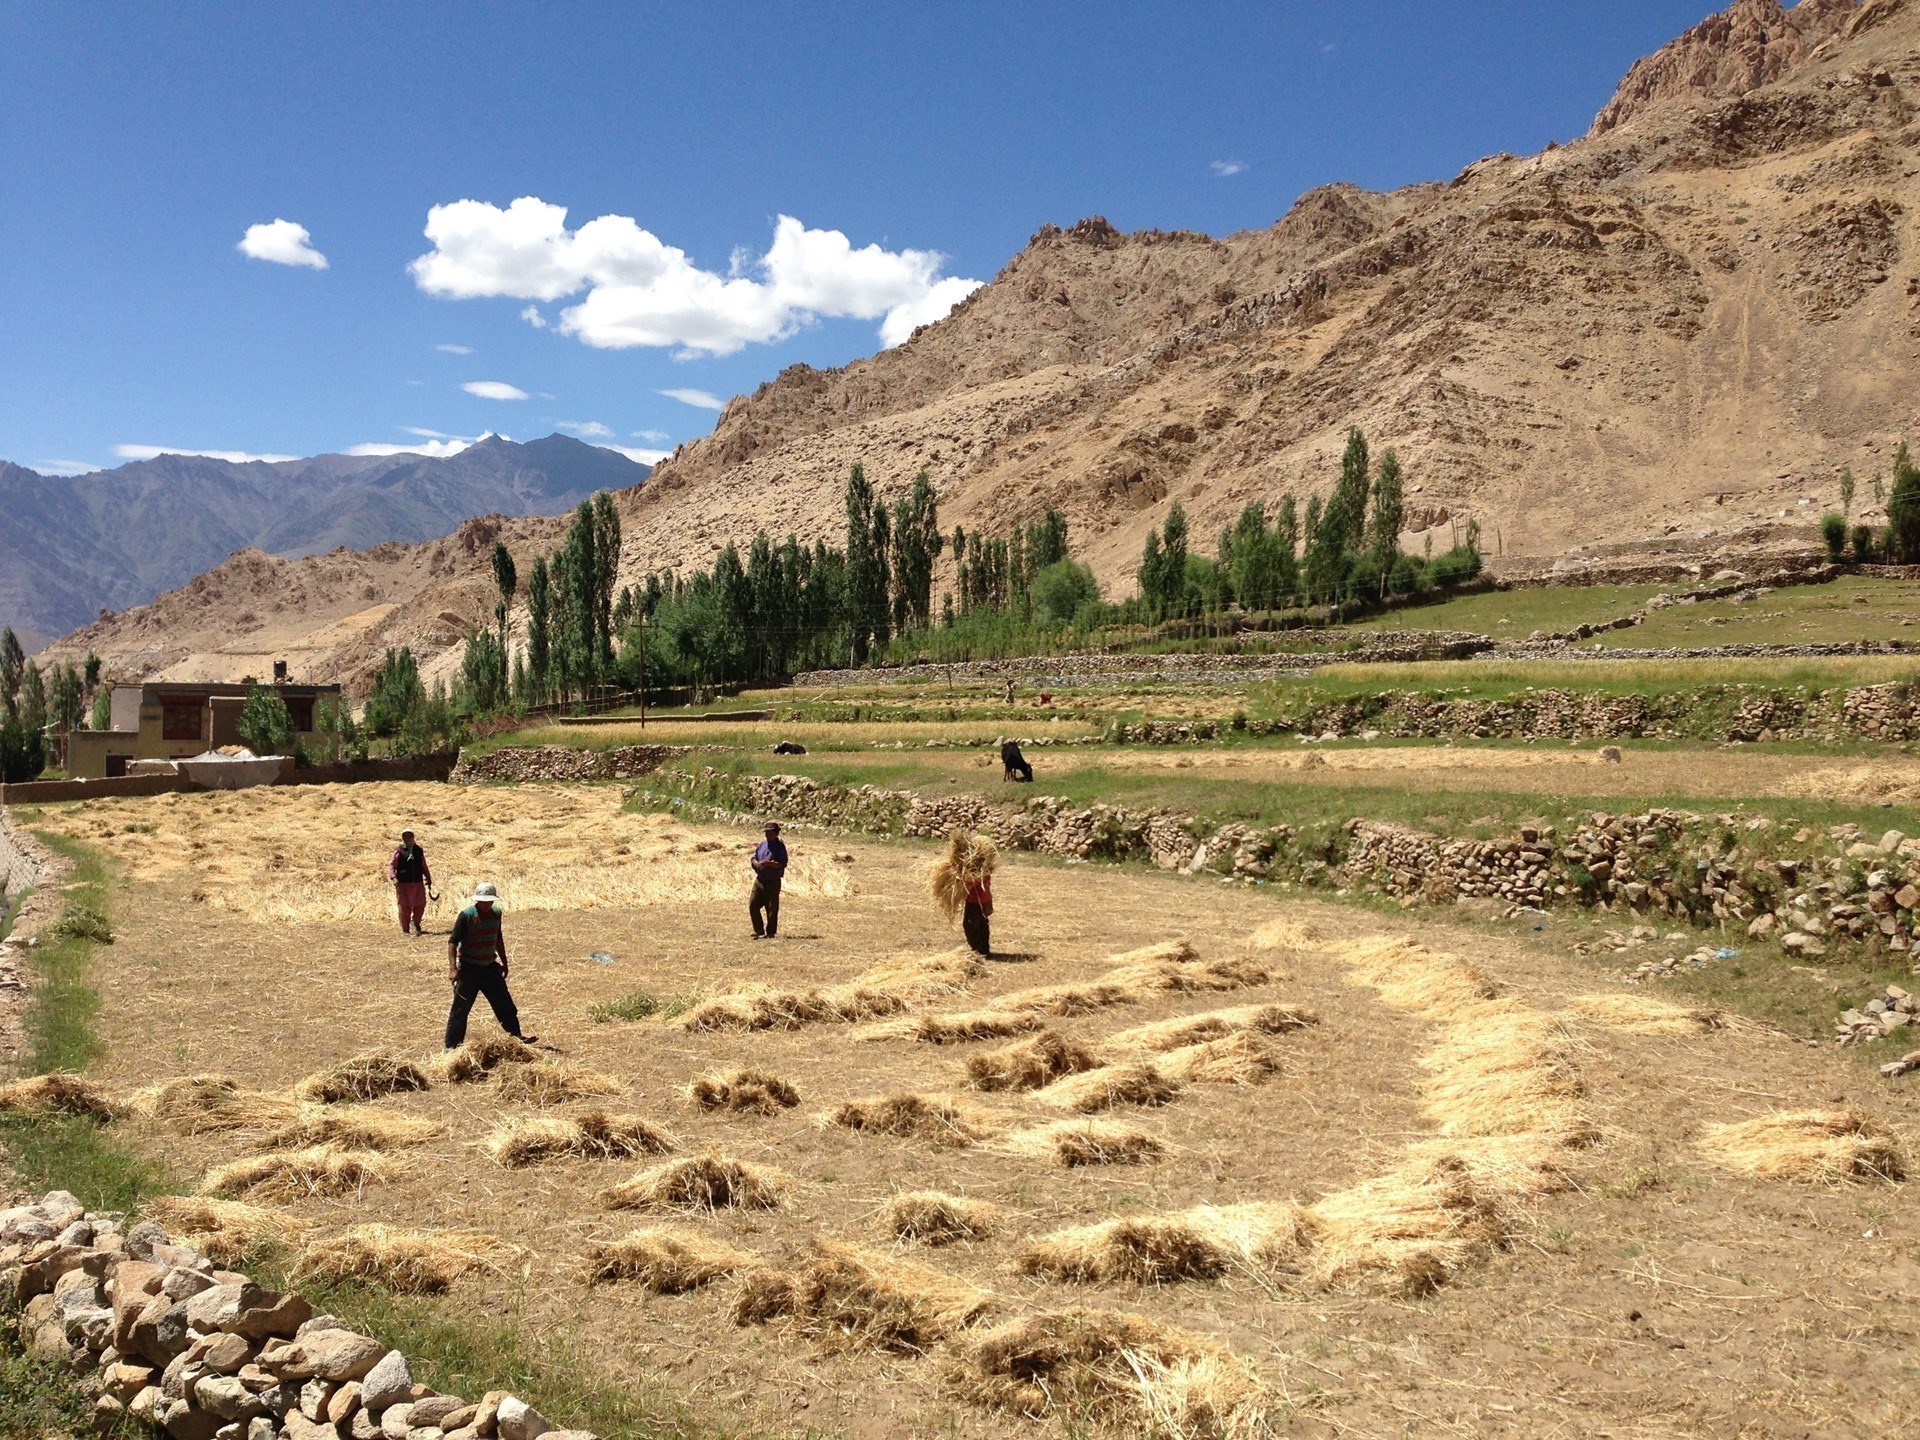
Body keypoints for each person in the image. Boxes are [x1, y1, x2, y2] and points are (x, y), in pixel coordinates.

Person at [444, 882, 537, 1048]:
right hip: (468, 969)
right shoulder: (466, 915)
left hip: (489, 967)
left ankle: (516, 1037)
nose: (487, 905)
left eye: (490, 902)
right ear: (477, 901)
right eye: (484, 902)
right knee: (460, 1010)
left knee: (505, 1005)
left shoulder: (496, 914)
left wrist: (504, 962)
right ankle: (451, 1047)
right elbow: (452, 942)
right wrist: (452, 969)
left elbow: (498, 938)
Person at [388, 828, 434, 936]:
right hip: (403, 884)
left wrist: (428, 877)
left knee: (420, 904)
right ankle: (405, 930)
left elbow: (423, 865)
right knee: (404, 907)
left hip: (417, 882)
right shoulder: (399, 851)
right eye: (405, 836)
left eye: (409, 836)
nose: (407, 838)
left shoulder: (418, 850)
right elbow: (392, 865)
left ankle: (415, 923)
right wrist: (393, 877)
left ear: (413, 837)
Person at [749, 821, 788, 939]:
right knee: (753, 904)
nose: (767, 835)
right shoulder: (761, 845)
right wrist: (755, 863)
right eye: (766, 833)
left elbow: (783, 863)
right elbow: (754, 857)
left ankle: (770, 932)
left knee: (771, 908)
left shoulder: (780, 847)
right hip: (760, 880)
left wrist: (769, 864)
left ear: (776, 833)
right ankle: (758, 930)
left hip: (773, 881)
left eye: (770, 833)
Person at [962, 868, 993, 956]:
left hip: (975, 900)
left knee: (970, 925)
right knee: (982, 924)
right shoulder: (985, 867)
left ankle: (977, 950)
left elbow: (970, 883)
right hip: (985, 898)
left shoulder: (975, 868)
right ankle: (984, 948)